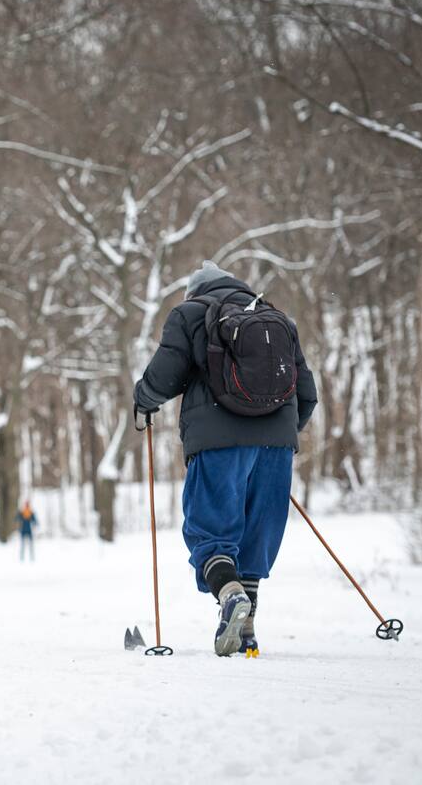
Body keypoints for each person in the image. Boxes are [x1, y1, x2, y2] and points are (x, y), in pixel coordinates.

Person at [133, 261, 317, 657]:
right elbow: (306, 393)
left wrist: (143, 400)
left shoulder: (190, 313)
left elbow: (166, 373)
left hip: (217, 441)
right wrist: (278, 435)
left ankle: (231, 596)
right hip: (277, 446)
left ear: (195, 292)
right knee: (257, 534)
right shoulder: (277, 319)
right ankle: (246, 627)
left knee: (211, 530)